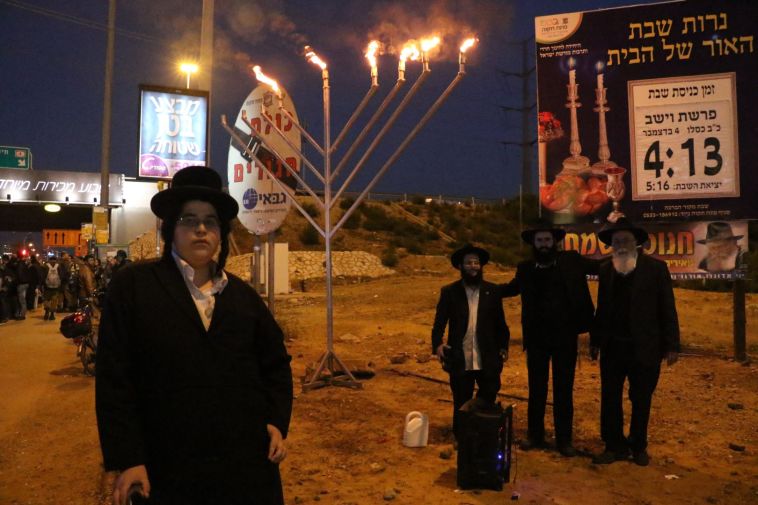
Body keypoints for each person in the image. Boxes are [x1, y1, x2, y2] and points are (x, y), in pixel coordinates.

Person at [96, 166, 293, 505]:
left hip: (243, 469)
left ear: (221, 233)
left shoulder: (244, 297)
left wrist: (276, 421)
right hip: (166, 470)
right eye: (189, 219)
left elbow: (275, 364)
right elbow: (114, 379)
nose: (201, 229)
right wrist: (128, 458)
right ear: (171, 228)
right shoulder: (134, 288)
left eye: (210, 221)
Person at [499, 223, 600, 457]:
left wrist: (625, 258)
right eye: (539, 241)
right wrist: (482, 288)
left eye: (547, 240)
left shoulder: (571, 260)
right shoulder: (525, 268)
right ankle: (535, 436)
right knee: (537, 389)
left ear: (554, 242)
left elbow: (599, 268)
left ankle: (564, 440)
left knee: (563, 390)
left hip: (565, 337)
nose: (544, 245)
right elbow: (512, 289)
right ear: (533, 244)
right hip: (537, 339)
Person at [590, 218, 679, 466]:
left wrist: (672, 345)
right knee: (610, 398)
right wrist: (595, 340)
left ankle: (638, 445)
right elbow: (602, 308)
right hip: (613, 347)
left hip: (645, 346)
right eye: (616, 241)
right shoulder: (606, 269)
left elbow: (667, 307)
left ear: (636, 242)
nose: (621, 245)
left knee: (641, 398)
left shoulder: (656, 269)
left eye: (625, 240)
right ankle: (613, 445)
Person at [431, 244, 510, 443]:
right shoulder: (449, 292)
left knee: (488, 396)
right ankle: (462, 439)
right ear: (460, 266)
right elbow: (439, 322)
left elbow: (500, 323)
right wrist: (438, 344)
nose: (473, 266)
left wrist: (503, 347)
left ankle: (484, 436)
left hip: (487, 356)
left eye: (476, 262)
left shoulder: (492, 291)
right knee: (461, 399)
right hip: (461, 356)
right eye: (468, 263)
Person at [42, 255, 63, 321]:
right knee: (54, 301)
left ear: (49, 260)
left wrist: (42, 284)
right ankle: (52, 315)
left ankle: (46, 312)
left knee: (46, 300)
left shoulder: (46, 266)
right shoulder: (58, 266)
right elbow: (61, 276)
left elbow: (42, 276)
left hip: (47, 287)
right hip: (56, 287)